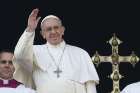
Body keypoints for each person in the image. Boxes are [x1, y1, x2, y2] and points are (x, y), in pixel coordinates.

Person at [13, 8, 99, 93]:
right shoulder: (35, 51)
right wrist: (30, 29)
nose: (53, 32)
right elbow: (19, 55)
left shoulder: (80, 53)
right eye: (48, 29)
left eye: (56, 27)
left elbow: (90, 85)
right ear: (43, 34)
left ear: (63, 30)